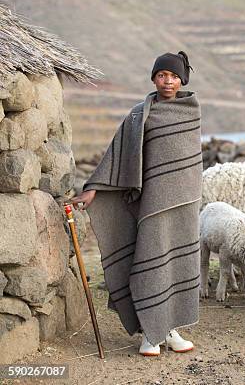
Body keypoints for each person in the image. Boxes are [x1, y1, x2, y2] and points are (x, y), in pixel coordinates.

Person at [71, 51, 203, 356]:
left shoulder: (191, 112)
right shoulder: (138, 115)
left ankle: (170, 330)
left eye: (172, 76)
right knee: (149, 263)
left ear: (182, 79)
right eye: (161, 75)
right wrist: (95, 190)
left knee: (177, 264)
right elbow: (117, 154)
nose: (167, 81)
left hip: (183, 204)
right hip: (151, 204)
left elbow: (190, 162)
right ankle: (150, 333)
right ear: (154, 78)